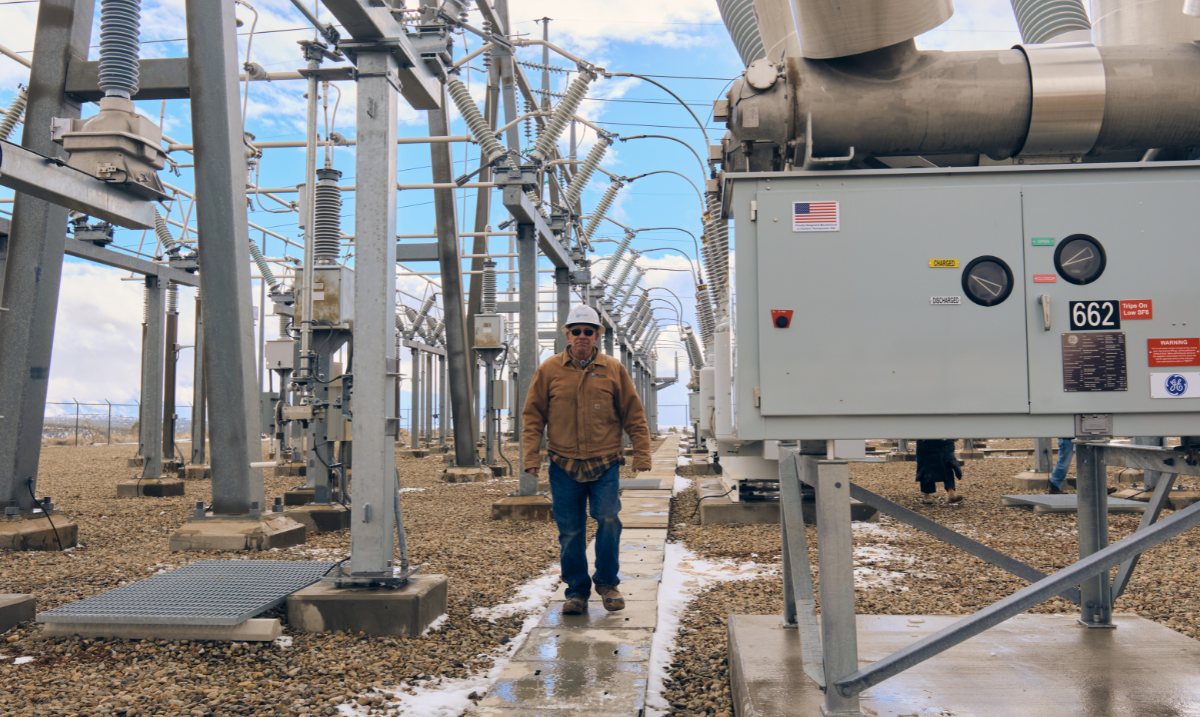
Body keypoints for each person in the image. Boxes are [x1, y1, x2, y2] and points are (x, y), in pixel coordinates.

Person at [522, 304, 652, 615]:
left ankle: (607, 583)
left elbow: (633, 412)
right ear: (567, 334)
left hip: (605, 460)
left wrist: (642, 452)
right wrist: (530, 455)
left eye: (588, 331)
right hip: (563, 462)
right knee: (570, 530)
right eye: (576, 331)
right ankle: (576, 591)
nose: (582, 336)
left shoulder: (613, 369)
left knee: (608, 519)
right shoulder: (549, 369)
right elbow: (533, 415)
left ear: (597, 336)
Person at [915, 439, 963, 504]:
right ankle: (926, 495)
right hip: (926, 440)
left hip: (943, 440)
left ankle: (951, 494)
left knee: (947, 464)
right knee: (926, 467)